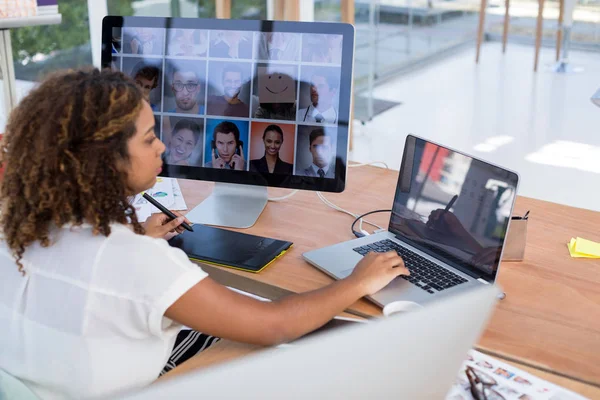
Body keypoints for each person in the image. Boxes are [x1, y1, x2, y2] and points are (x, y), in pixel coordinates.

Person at [0, 68, 409, 400]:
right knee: (320, 332)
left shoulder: (16, 231)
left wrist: (139, 239)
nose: (161, 147)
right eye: (149, 139)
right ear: (104, 161)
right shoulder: (135, 263)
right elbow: (275, 325)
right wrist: (359, 281)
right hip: (148, 384)